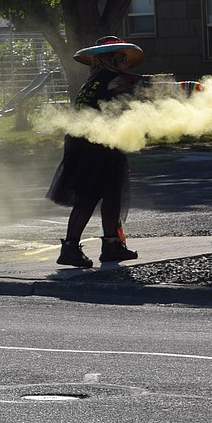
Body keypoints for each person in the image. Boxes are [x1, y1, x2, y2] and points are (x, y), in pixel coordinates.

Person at [48, 36, 146, 267]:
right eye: (122, 58)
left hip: (94, 142)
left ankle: (111, 245)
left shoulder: (93, 81)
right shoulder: (114, 79)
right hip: (95, 145)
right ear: (110, 59)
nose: (126, 62)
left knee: (111, 193)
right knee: (90, 195)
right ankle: (70, 248)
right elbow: (145, 86)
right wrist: (185, 87)